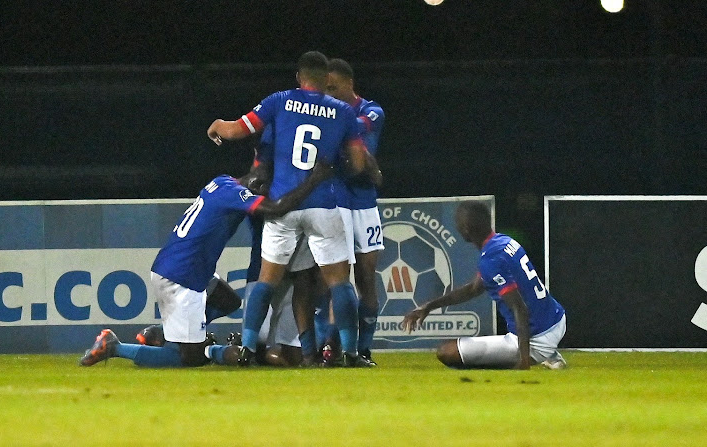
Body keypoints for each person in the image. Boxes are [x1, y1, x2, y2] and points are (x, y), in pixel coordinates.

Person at [207, 51, 380, 367]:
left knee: (266, 280)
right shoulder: (342, 112)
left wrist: (219, 125)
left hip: (283, 207)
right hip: (323, 205)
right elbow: (357, 164)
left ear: (299, 77)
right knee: (339, 282)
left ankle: (246, 349)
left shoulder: (279, 101)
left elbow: (237, 130)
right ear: (326, 79)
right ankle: (352, 353)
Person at [78, 161, 332, 367]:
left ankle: (162, 333)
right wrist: (314, 180)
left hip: (185, 267)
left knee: (228, 300)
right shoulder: (237, 195)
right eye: (266, 189)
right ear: (255, 184)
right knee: (189, 358)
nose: (266, 196)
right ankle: (115, 347)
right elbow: (277, 207)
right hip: (182, 276)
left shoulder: (221, 182)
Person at [402, 201, 567, 370]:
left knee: (447, 352)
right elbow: (473, 289)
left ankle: (542, 353)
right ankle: (549, 352)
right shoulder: (504, 241)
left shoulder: (491, 260)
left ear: (466, 229)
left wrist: (524, 362)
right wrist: (429, 306)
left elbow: (520, 309)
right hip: (556, 318)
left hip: (538, 337)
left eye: (458, 223)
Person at [316, 58, 385, 365]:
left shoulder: (371, 110)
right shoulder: (328, 111)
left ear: (348, 84)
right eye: (324, 88)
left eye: (333, 88)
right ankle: (332, 346)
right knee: (335, 279)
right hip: (335, 200)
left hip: (364, 203)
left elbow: (356, 136)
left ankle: (365, 347)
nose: (328, 93)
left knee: (367, 277)